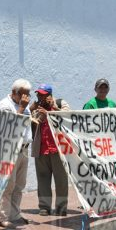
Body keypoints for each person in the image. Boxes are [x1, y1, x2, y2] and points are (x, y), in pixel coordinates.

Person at [0, 79, 32, 228]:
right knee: (8, 185)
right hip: (10, 149)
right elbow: (9, 127)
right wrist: (22, 108)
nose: (26, 98)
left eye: (28, 95)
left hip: (24, 149)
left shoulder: (25, 105)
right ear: (15, 93)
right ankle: (1, 216)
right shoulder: (5, 105)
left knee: (19, 185)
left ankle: (14, 214)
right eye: (24, 94)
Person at [30, 84, 71, 216]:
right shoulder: (37, 108)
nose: (39, 97)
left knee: (61, 181)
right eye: (38, 95)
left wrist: (52, 108)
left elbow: (68, 118)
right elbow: (32, 126)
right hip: (41, 149)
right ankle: (44, 207)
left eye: (42, 94)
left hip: (58, 149)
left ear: (49, 95)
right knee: (42, 180)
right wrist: (31, 112)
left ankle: (61, 207)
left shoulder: (61, 103)